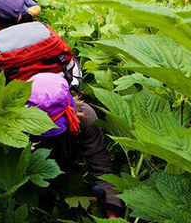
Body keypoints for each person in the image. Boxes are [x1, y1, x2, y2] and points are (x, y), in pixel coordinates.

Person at [27, 73, 124, 219]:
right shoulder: (12, 127)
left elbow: (102, 167)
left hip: (68, 172)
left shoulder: (85, 116)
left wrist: (113, 213)